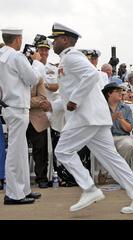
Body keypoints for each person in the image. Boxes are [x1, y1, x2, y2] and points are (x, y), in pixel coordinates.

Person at [48, 22, 133, 213]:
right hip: (94, 116)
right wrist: (54, 106)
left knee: (63, 151)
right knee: (112, 159)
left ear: (64, 40)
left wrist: (75, 100)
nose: (52, 43)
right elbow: (68, 91)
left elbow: (91, 76)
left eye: (55, 39)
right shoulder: (67, 60)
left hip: (86, 117)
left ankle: (89, 189)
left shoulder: (72, 57)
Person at [0, 28, 44, 205]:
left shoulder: (2, 56)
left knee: (19, 151)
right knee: (16, 152)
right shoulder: (17, 57)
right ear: (18, 40)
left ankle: (23, 189)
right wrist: (35, 62)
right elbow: (32, 79)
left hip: (11, 106)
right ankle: (13, 193)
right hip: (17, 107)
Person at [27, 38, 53, 188]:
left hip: (38, 117)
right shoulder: (22, 69)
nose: (43, 52)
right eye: (40, 50)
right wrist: (29, 101)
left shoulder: (41, 71)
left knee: (40, 150)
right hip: (20, 117)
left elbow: (42, 98)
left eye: (45, 50)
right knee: (18, 150)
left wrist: (22, 102)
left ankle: (41, 178)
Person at [102, 83, 133, 167]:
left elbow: (129, 129)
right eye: (118, 91)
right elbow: (101, 129)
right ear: (109, 93)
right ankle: (105, 172)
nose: (121, 93)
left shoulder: (126, 108)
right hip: (106, 137)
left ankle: (121, 170)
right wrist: (112, 118)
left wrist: (121, 119)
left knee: (128, 144)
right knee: (102, 147)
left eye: (121, 91)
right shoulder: (101, 107)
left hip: (123, 136)